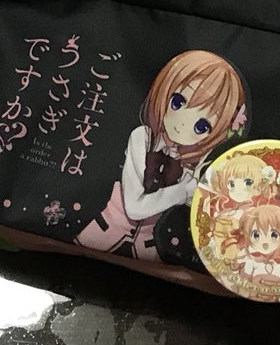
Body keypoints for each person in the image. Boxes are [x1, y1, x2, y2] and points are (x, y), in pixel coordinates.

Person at [79, 50, 246, 259]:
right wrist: (183, 191)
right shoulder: (142, 138)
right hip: (100, 234)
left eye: (202, 126)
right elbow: (134, 207)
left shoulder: (190, 166)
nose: (182, 123)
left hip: (147, 253)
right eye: (178, 103)